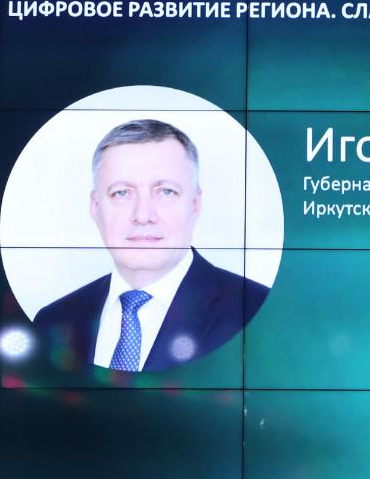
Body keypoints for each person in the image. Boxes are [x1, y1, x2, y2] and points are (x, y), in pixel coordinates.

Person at [32, 118, 268, 373]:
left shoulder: (257, 312)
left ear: (195, 203)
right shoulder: (52, 320)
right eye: (122, 193)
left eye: (166, 191)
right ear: (95, 206)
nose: (143, 215)